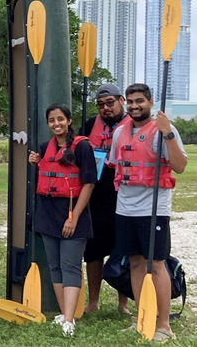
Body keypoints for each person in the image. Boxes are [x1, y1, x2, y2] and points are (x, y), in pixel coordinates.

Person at [109, 84, 187, 342]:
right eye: (130, 101)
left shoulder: (165, 129)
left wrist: (168, 134)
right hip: (125, 208)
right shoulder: (120, 132)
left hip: (153, 209)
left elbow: (179, 166)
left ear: (151, 102)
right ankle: (143, 317)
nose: (134, 106)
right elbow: (114, 165)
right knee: (134, 262)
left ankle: (164, 325)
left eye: (140, 101)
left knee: (156, 263)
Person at [28, 104, 96, 337]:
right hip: (47, 213)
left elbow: (88, 184)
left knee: (70, 266)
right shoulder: (44, 148)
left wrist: (74, 217)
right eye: (51, 120)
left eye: (60, 119)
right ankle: (63, 314)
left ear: (68, 120)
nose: (56, 124)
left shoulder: (83, 147)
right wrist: (34, 162)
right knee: (55, 266)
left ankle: (69, 320)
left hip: (71, 213)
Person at [80, 84, 131, 314]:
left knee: (124, 251)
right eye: (101, 105)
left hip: (125, 196)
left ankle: (123, 304)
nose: (106, 108)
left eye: (110, 103)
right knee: (94, 251)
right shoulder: (91, 124)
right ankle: (93, 302)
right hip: (96, 197)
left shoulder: (133, 124)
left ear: (122, 100)